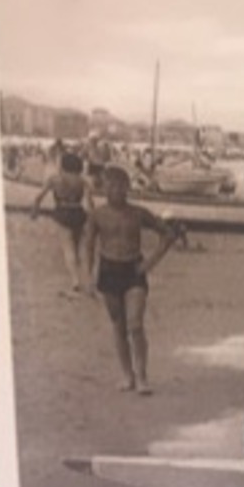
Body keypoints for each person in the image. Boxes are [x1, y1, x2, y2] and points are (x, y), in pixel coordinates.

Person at [82, 165, 176, 394]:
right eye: (110, 185)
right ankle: (127, 375)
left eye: (120, 185)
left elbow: (168, 234)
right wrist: (87, 276)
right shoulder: (97, 215)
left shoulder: (138, 213)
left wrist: (150, 263)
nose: (115, 190)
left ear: (127, 187)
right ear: (103, 187)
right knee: (118, 325)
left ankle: (142, 377)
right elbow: (88, 245)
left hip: (134, 270)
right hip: (108, 269)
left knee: (135, 324)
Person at [30, 151, 94, 293]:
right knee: (82, 249)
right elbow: (90, 203)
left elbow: (39, 197)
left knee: (68, 248)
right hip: (78, 213)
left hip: (62, 212)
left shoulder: (54, 179)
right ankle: (88, 280)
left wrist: (35, 211)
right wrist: (92, 218)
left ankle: (75, 280)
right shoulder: (83, 181)